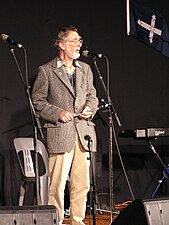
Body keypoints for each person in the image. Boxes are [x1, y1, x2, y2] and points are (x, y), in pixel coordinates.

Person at [31, 25, 98, 225]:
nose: (78, 44)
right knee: (58, 185)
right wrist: (58, 113)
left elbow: (92, 96)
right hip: (60, 133)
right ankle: (56, 221)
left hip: (83, 132)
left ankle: (78, 221)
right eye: (74, 40)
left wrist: (89, 109)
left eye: (80, 41)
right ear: (61, 44)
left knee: (82, 183)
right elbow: (37, 102)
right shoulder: (46, 70)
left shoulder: (85, 69)